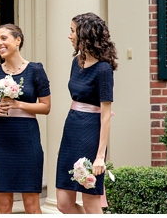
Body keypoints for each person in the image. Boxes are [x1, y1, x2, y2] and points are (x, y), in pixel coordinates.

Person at [0, 24, 51, 214]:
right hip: (1, 139)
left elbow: (46, 107)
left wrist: (18, 104)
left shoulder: (35, 70)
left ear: (18, 40)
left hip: (27, 138)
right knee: (3, 204)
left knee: (31, 203)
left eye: (3, 38)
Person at [55, 12, 117, 214]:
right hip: (71, 129)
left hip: (91, 134)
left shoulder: (103, 69)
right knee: (63, 204)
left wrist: (100, 157)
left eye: (72, 31)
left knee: (91, 202)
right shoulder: (77, 62)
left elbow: (106, 114)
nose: (69, 35)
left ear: (85, 34)